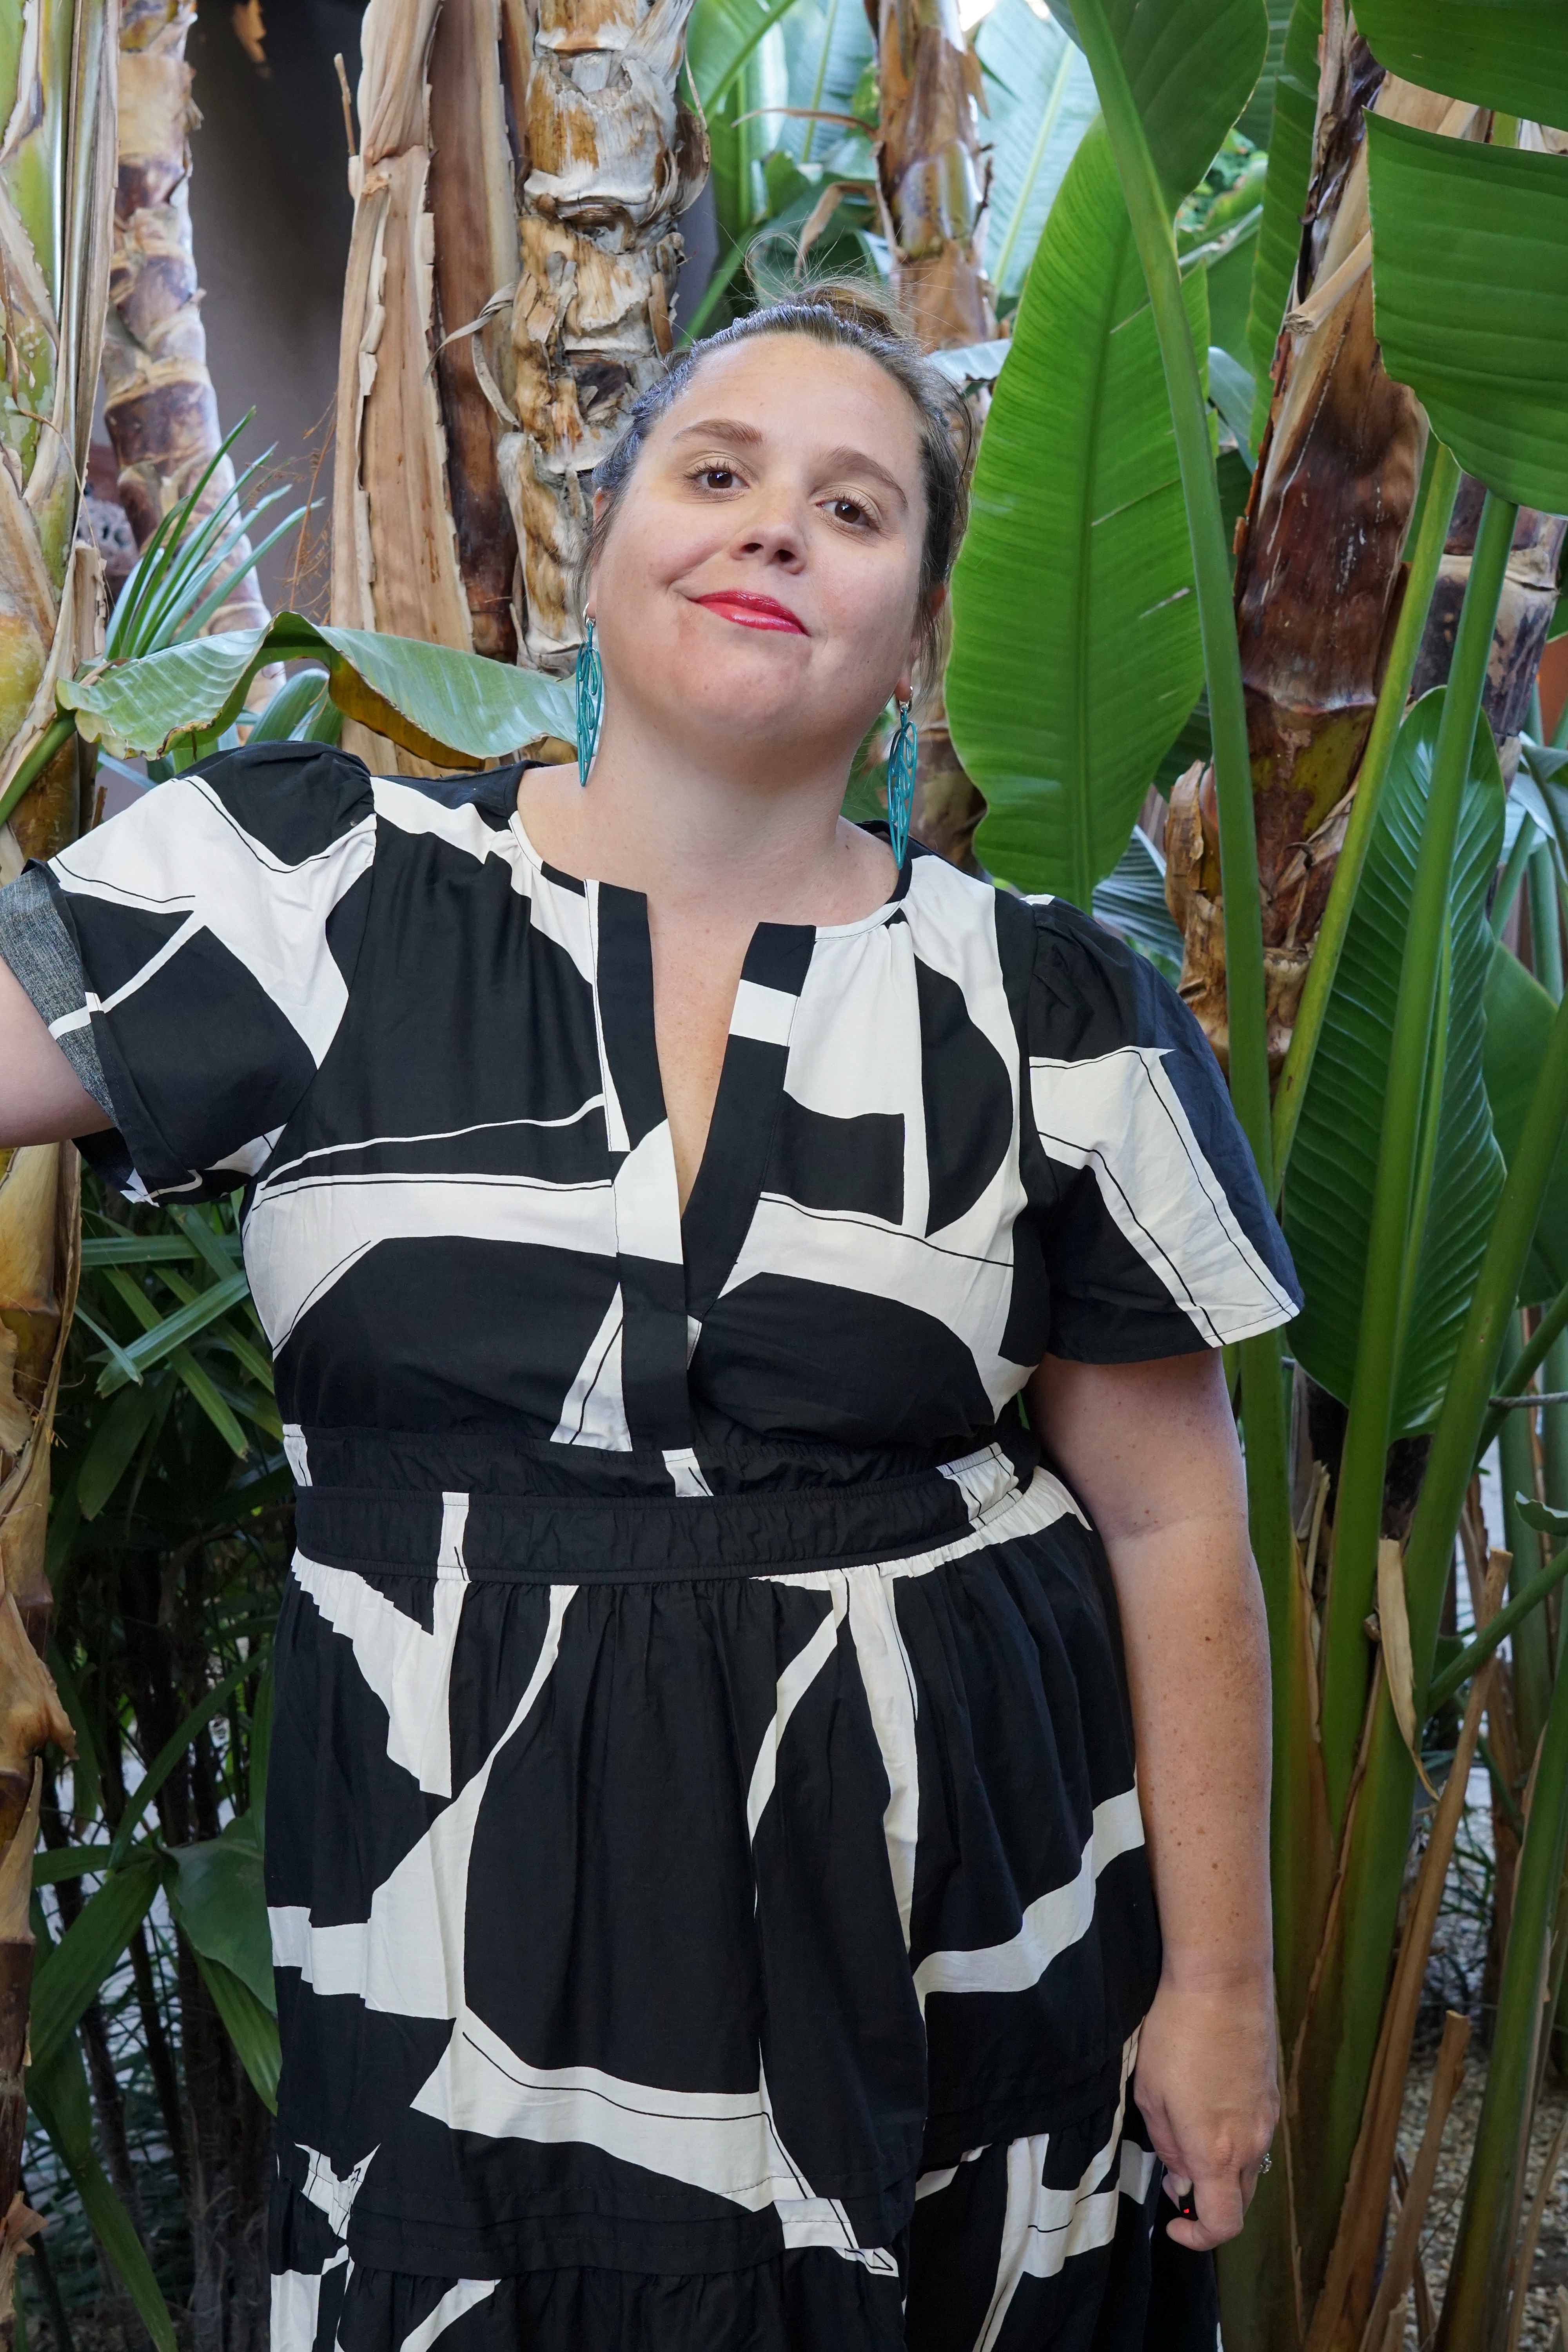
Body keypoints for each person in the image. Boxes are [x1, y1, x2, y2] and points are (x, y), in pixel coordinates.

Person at [0, 282, 1298, 2352]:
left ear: (920, 637)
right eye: (718, 473)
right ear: (594, 545)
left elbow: (1174, 1523)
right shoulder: (315, 894)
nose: (777, 528)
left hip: (950, 1931)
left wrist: (1219, 1994)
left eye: (853, 508)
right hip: (455, 1944)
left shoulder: (1050, 1011)